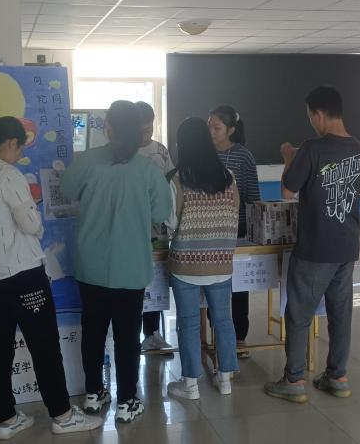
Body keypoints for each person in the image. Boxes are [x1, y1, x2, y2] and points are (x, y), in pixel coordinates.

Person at [0, 117, 103, 439]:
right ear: (10, 143)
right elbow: (31, 225)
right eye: (20, 148)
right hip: (20, 273)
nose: (20, 154)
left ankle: (7, 419)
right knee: (44, 344)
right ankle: (63, 416)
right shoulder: (8, 174)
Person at [61, 100, 172, 424]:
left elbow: (66, 190)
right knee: (127, 337)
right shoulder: (148, 170)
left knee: (93, 332)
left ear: (108, 128)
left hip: (91, 266)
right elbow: (161, 212)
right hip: (130, 267)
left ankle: (93, 393)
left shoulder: (87, 161)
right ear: (139, 131)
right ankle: (126, 401)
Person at [264, 86, 360, 403]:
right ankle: (338, 376)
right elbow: (359, 193)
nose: (311, 122)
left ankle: (294, 380)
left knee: (299, 315)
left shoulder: (312, 149)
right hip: (347, 247)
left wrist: (289, 158)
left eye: (310, 116)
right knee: (340, 314)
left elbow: (287, 191)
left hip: (315, 247)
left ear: (319, 114)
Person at [164, 117, 240, 400]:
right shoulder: (228, 177)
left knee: (188, 323)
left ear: (181, 145)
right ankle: (226, 379)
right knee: (223, 320)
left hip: (186, 264)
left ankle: (190, 385)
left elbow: (170, 222)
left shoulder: (177, 179)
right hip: (220, 262)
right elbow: (235, 213)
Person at [208, 105, 260, 357]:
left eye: (216, 127)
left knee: (239, 287)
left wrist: (253, 232)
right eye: (209, 126)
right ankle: (216, 333)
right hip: (209, 232)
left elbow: (252, 196)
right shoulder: (204, 153)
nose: (211, 131)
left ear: (230, 129)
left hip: (237, 232)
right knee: (213, 284)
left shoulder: (243, 156)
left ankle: (240, 337)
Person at [135, 101, 175, 353]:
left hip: (157, 229)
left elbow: (171, 184)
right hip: (131, 228)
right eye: (141, 130)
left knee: (156, 280)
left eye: (149, 129)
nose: (145, 135)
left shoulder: (160, 151)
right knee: (134, 282)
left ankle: (152, 334)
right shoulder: (124, 153)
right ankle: (132, 333)